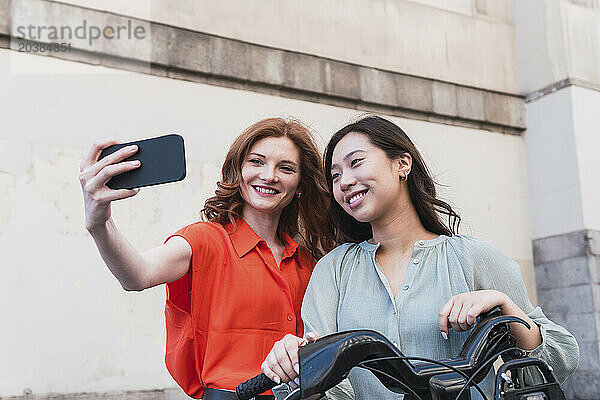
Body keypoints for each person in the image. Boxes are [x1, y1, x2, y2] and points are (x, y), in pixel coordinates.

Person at [261, 116, 579, 399]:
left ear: (403, 164)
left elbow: (560, 359)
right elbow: (331, 387)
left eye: (356, 162)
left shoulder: (473, 256)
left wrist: (505, 308)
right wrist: (300, 367)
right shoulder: (333, 270)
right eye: (335, 175)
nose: (344, 181)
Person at [79, 118, 334, 400]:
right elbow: (137, 274)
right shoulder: (204, 240)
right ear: (238, 171)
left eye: (285, 168)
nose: (269, 175)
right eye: (256, 162)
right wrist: (99, 224)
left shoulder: (309, 262)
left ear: (299, 185)